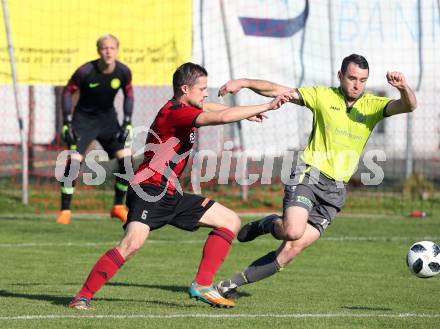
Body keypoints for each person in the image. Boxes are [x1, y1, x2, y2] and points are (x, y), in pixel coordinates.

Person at [67, 62, 291, 310]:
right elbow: (222, 116)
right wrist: (267, 105)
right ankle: (82, 297)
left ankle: (203, 285)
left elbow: (212, 107)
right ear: (185, 88)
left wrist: (247, 112)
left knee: (230, 220)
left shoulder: (185, 106)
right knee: (132, 244)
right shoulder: (174, 113)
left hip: (170, 192)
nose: (206, 93)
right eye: (202, 88)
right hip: (149, 189)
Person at [215, 54, 417, 299]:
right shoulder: (323, 96)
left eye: (362, 80)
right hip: (309, 175)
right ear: (340, 76)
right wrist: (244, 82)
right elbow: (278, 90)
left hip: (335, 191)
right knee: (292, 231)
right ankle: (268, 224)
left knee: (291, 250)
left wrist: (404, 87)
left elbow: (408, 105)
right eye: (352, 78)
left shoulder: (373, 105)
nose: (357, 84)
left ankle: (230, 285)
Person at [56, 34, 134, 225]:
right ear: (98, 51)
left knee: (127, 162)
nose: (108, 51)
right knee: (74, 163)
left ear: (117, 50)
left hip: (108, 121)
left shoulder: (123, 72)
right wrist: (66, 122)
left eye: (111, 48)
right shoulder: (85, 71)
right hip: (83, 121)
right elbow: (67, 92)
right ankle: (65, 211)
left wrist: (128, 121)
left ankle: (117, 207)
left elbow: (129, 95)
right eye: (104, 48)